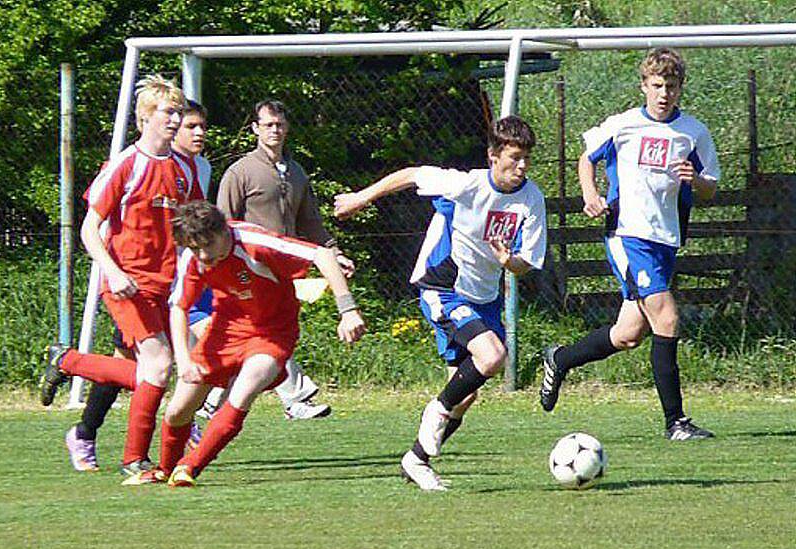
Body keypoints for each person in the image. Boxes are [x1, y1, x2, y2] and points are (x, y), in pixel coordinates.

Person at [334, 115, 547, 491]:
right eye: (514, 157)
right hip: (443, 287)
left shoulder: (532, 200)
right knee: (493, 356)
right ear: (493, 156)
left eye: (527, 158)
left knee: (466, 395)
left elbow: (526, 264)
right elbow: (413, 174)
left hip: (485, 298)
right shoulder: (465, 184)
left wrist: (507, 262)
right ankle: (434, 414)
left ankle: (416, 459)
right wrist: (360, 198)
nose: (523, 166)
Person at [538, 48, 720, 441]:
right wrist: (590, 194)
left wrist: (696, 180)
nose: (664, 93)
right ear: (644, 86)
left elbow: (710, 188)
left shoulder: (693, 132)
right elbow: (586, 158)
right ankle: (676, 422)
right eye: (657, 85)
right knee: (667, 318)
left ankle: (561, 358)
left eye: (671, 86)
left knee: (628, 335)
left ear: (680, 88)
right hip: (627, 234)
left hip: (665, 239)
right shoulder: (622, 125)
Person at [125, 200, 365, 486]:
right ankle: (166, 469)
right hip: (225, 331)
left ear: (224, 230)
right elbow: (179, 307)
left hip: (273, 332)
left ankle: (189, 467)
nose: (202, 256)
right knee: (178, 410)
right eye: (194, 248)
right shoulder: (195, 257)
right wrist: (185, 361)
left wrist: (348, 310)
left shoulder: (255, 241)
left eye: (207, 246)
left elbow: (323, 255)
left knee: (245, 388)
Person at [40, 75, 204, 478]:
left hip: (167, 287)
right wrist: (112, 272)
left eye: (178, 112)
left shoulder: (186, 169)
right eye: (169, 112)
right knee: (160, 365)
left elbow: (192, 226)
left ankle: (68, 361)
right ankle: (135, 460)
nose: (176, 120)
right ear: (146, 117)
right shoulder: (124, 165)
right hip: (127, 283)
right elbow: (88, 229)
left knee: (158, 371)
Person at [216, 99, 355, 420]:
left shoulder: (295, 172)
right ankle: (296, 396)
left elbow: (311, 223)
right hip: (250, 268)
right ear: (255, 129)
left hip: (287, 266)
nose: (274, 130)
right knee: (268, 330)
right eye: (268, 125)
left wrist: (333, 252)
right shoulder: (240, 172)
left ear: (287, 128)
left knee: (265, 332)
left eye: (279, 124)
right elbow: (223, 223)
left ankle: (212, 402)